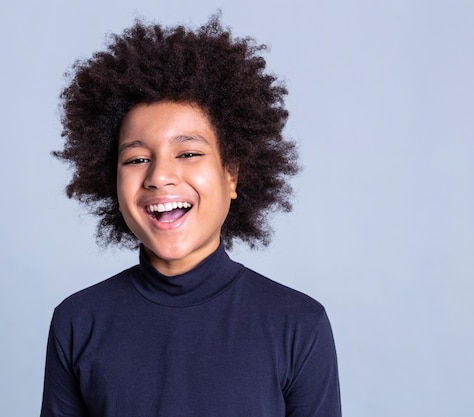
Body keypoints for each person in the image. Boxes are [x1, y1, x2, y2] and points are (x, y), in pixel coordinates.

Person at [41, 15, 341, 417]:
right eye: (137, 158)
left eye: (188, 153)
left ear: (231, 174)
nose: (160, 176)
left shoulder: (298, 325)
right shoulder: (78, 322)